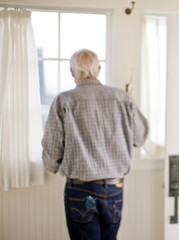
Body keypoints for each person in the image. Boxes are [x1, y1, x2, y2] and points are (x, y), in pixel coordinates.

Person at [42, 49, 149, 240]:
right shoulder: (122, 98)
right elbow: (140, 137)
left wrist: (52, 166)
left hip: (80, 190)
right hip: (114, 189)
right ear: (98, 69)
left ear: (72, 72)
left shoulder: (64, 100)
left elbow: (51, 155)